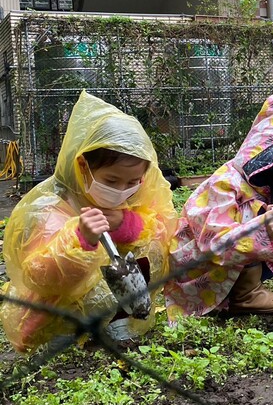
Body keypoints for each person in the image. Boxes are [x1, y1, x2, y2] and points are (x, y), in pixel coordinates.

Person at [0, 91, 177, 353]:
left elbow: (164, 229)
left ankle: (120, 322)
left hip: (115, 301)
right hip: (57, 312)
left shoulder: (139, 194)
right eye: (111, 181)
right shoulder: (49, 207)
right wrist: (79, 239)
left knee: (144, 247)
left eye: (132, 182)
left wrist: (126, 224)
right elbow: (39, 276)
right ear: (82, 166)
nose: (122, 190)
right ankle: (70, 332)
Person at [165, 93, 273, 320]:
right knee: (254, 220)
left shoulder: (265, 188)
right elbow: (214, 242)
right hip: (197, 267)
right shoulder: (226, 184)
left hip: (226, 264)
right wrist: (261, 231)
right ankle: (243, 296)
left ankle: (238, 293)